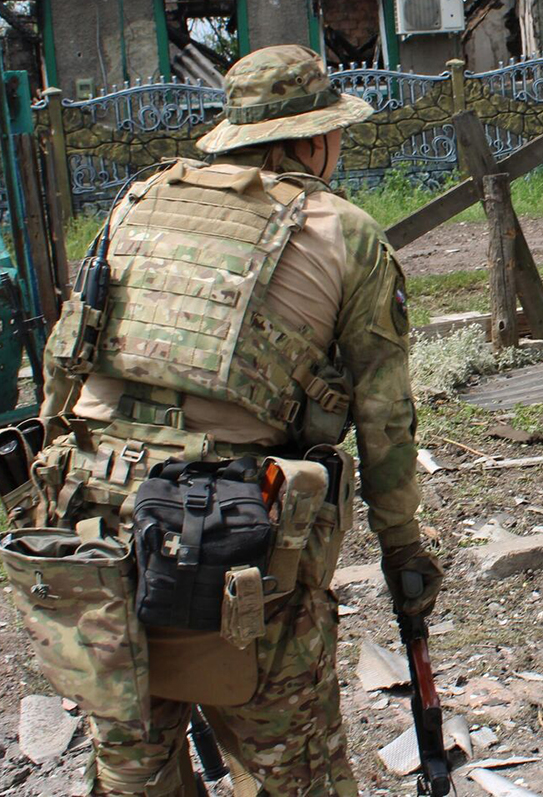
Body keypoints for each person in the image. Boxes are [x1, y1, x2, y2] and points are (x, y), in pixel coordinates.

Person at [25, 44, 442, 795]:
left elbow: (67, 361)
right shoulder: (344, 230)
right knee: (292, 774)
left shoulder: (137, 201)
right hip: (231, 537)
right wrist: (404, 549)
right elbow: (386, 417)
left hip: (92, 527)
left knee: (134, 769)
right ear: (312, 139)